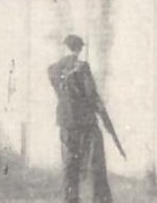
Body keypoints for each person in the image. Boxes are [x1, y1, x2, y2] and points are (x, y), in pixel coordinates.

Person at [48, 34, 113, 203]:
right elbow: (91, 95)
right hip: (85, 123)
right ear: (79, 48)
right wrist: (103, 114)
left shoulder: (53, 69)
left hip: (65, 122)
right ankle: (100, 200)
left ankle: (70, 200)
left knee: (69, 165)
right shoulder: (82, 67)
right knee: (95, 164)